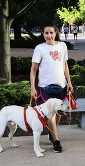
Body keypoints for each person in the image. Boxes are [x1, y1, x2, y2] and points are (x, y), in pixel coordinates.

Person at [30, 22, 74, 153]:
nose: (49, 35)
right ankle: (56, 140)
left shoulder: (62, 46)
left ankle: (51, 132)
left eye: (51, 32)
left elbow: (65, 65)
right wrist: (33, 88)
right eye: (46, 33)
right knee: (50, 114)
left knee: (59, 112)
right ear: (43, 34)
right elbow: (33, 70)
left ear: (56, 33)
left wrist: (69, 82)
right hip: (45, 87)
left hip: (61, 85)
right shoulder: (39, 48)